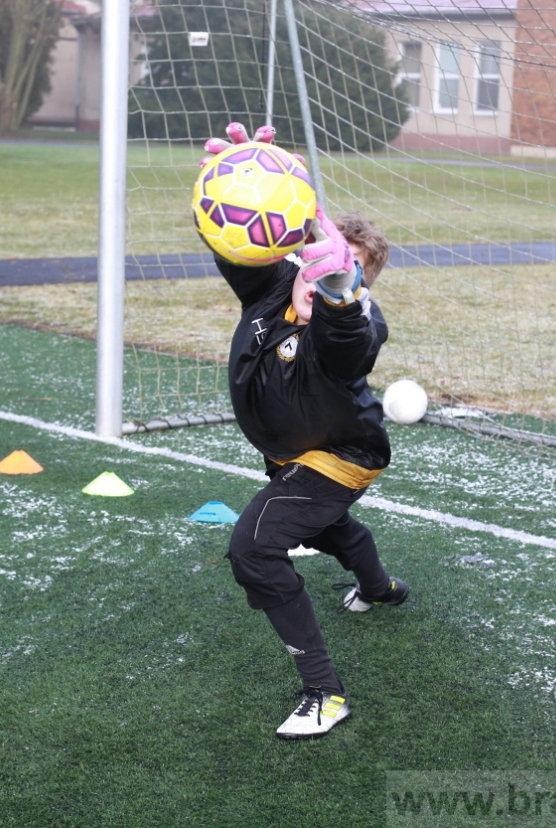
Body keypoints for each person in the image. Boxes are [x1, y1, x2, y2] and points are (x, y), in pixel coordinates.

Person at [202, 122, 407, 740]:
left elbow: (350, 340)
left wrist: (343, 294)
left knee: (255, 546)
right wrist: (238, 177)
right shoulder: (269, 286)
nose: (326, 280)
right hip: (294, 452)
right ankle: (380, 587)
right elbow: (233, 240)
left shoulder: (357, 324)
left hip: (343, 454)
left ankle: (325, 692)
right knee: (327, 530)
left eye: (348, 276)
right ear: (292, 258)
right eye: (315, 265)